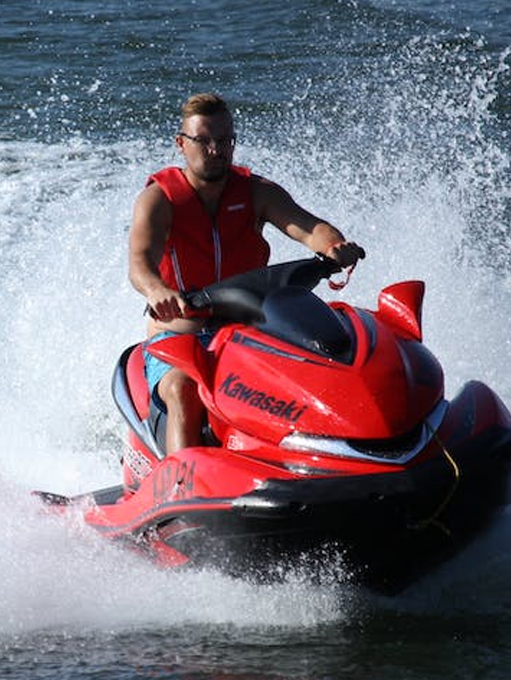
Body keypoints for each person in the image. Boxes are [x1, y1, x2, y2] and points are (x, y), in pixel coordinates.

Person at [128, 92, 363, 454]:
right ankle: (184, 486)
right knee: (183, 388)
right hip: (179, 337)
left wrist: (334, 246)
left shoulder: (257, 193)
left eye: (224, 141)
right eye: (203, 141)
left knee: (317, 370)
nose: (215, 150)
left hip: (249, 329)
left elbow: (309, 227)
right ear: (181, 144)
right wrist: (157, 291)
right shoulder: (159, 200)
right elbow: (140, 261)